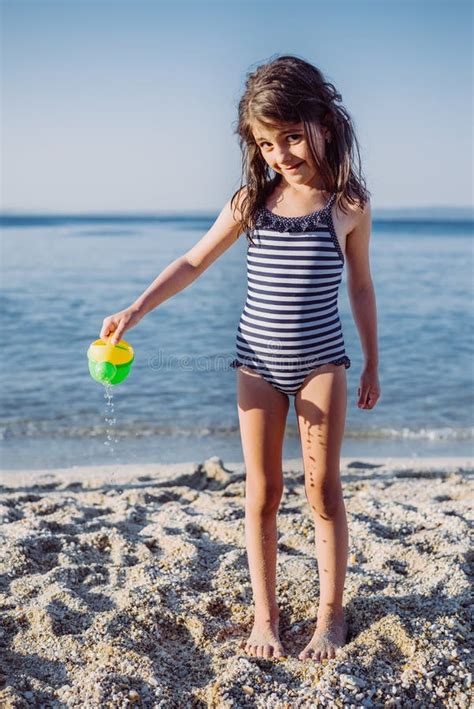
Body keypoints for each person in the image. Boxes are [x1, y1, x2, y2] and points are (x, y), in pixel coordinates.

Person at [100, 54, 381, 662]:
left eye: (291, 136)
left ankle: (330, 617)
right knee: (262, 491)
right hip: (255, 363)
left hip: (320, 364)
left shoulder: (348, 204)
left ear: (324, 124)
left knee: (322, 490)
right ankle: (266, 617)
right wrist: (135, 309)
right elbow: (194, 262)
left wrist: (373, 361)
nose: (281, 152)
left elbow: (360, 286)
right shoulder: (251, 201)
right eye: (266, 142)